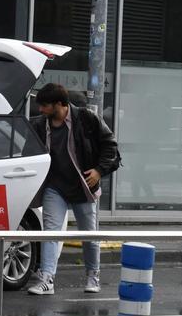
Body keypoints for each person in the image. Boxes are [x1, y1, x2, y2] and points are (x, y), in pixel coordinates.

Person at [25, 82, 121, 296]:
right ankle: (47, 279)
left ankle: (92, 275)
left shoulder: (85, 119)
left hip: (83, 186)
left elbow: (110, 145)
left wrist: (98, 170)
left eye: (45, 106)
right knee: (50, 232)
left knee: (88, 233)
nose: (40, 110)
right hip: (54, 186)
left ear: (60, 104)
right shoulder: (41, 125)